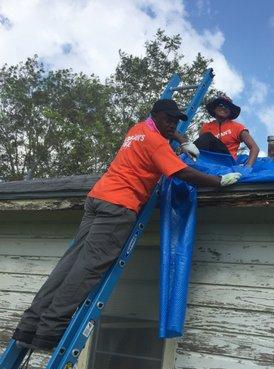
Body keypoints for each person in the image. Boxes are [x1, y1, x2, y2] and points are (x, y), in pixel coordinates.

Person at [12, 99, 241, 350]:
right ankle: (49, 330)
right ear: (155, 116)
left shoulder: (137, 130)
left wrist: (182, 138)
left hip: (97, 198)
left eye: (176, 121)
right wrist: (218, 181)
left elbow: (164, 129)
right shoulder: (156, 144)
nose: (172, 124)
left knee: (68, 264)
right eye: (169, 119)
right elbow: (182, 173)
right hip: (119, 206)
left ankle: (29, 325)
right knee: (87, 268)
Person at [194, 95, 260, 168]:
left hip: (227, 163)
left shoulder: (238, 127)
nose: (223, 107)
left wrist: (248, 167)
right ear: (214, 108)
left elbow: (255, 148)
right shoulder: (205, 127)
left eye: (227, 106)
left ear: (230, 112)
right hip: (208, 162)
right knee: (203, 138)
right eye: (220, 105)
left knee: (207, 136)